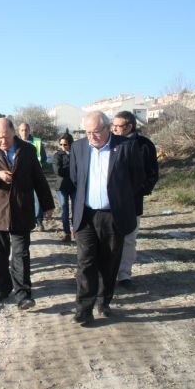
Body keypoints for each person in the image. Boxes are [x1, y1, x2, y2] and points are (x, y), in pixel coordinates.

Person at [0, 118, 54, 309]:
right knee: (1, 253)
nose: (2, 141)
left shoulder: (28, 150)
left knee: (21, 254)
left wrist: (48, 204)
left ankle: (23, 295)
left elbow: (39, 179)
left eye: (5, 137)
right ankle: (4, 288)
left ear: (13, 133)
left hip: (21, 210)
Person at [69, 111, 145, 324]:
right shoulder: (79, 147)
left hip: (114, 215)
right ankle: (84, 309)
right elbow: (76, 178)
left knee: (109, 261)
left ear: (108, 128)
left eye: (96, 132)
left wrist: (121, 197)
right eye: (87, 132)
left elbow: (138, 178)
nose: (91, 136)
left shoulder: (126, 146)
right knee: (85, 263)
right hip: (86, 214)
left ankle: (104, 301)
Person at [111, 110, 159, 288]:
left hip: (133, 202)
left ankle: (124, 274)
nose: (114, 129)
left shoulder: (145, 145)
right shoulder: (109, 142)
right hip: (110, 202)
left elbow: (152, 173)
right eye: (112, 126)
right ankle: (109, 272)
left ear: (129, 126)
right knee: (111, 238)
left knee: (129, 238)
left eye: (118, 126)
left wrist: (139, 191)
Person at [18, 122, 48, 231]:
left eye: (26, 130)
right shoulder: (16, 142)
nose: (24, 132)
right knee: (23, 199)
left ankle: (39, 221)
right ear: (18, 131)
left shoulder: (37, 142)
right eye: (22, 130)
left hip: (35, 175)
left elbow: (43, 158)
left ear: (29, 130)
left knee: (37, 199)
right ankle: (25, 220)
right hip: (21, 175)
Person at [53, 133, 76, 243]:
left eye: (65, 144)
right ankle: (67, 233)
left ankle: (75, 231)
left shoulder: (76, 154)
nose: (63, 146)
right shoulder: (57, 155)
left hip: (74, 186)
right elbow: (58, 171)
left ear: (70, 144)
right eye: (61, 144)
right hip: (61, 187)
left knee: (76, 210)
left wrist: (69, 170)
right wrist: (72, 170)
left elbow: (81, 168)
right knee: (64, 210)